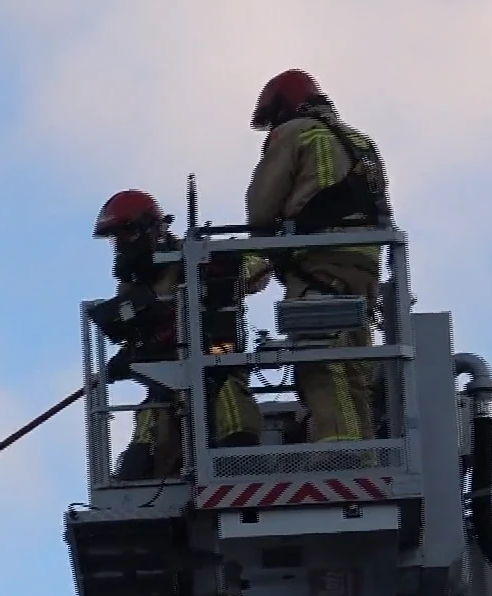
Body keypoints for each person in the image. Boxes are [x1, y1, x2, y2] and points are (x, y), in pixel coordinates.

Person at [245, 68, 392, 446]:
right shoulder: (361, 142)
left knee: (322, 368)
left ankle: (343, 460)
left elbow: (260, 211)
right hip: (365, 268)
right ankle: (364, 457)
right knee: (354, 368)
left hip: (320, 266)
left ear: (282, 110)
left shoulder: (293, 133)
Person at [88, 189, 261, 480]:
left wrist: (223, 273)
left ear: (151, 229)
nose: (120, 245)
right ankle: (138, 473)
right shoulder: (133, 284)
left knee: (227, 400)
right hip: (166, 381)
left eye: (124, 234)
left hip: (216, 362)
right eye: (114, 238)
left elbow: (257, 266)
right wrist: (124, 358)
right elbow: (138, 332)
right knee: (147, 435)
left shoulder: (195, 260)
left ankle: (239, 465)